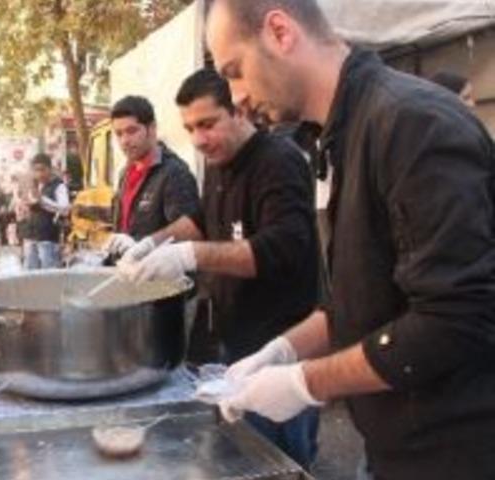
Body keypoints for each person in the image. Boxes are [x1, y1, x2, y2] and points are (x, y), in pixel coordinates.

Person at [205, 0, 495, 478]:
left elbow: (455, 318)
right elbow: (367, 297)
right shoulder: (335, 135)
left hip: (455, 452)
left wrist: (305, 383)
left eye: (235, 71)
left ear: (280, 31)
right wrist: (282, 350)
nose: (235, 96)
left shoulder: (409, 123)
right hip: (391, 446)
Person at [124, 69, 321, 468]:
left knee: (284, 461)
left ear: (239, 112)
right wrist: (152, 244)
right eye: (190, 128)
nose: (198, 140)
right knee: (244, 455)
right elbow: (199, 219)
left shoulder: (278, 162)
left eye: (207, 124)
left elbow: (280, 248)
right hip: (237, 342)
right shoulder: (218, 162)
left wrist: (191, 256)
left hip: (283, 347)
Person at [103, 96, 200, 261]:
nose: (124, 141)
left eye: (132, 131)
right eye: (119, 134)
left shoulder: (174, 172)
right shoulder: (125, 173)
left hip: (162, 282)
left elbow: (191, 231)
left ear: (152, 129)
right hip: (129, 275)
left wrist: (142, 245)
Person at [21, 153, 69, 269]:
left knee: (48, 277)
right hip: (31, 237)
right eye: (36, 170)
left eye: (42, 170)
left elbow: (65, 209)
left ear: (50, 169)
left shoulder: (58, 186)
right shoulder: (34, 185)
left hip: (48, 239)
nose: (39, 174)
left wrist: (42, 200)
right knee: (29, 276)